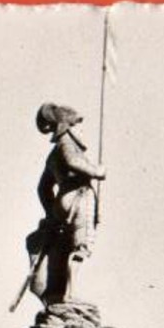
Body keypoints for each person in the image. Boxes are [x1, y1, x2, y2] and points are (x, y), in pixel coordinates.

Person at [25, 102, 106, 308]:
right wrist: (96, 171)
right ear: (67, 125)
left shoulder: (53, 154)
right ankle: (71, 293)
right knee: (81, 246)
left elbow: (43, 188)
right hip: (80, 197)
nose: (81, 128)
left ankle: (62, 293)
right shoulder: (67, 143)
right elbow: (72, 162)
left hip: (63, 201)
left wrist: (53, 211)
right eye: (78, 123)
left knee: (65, 247)